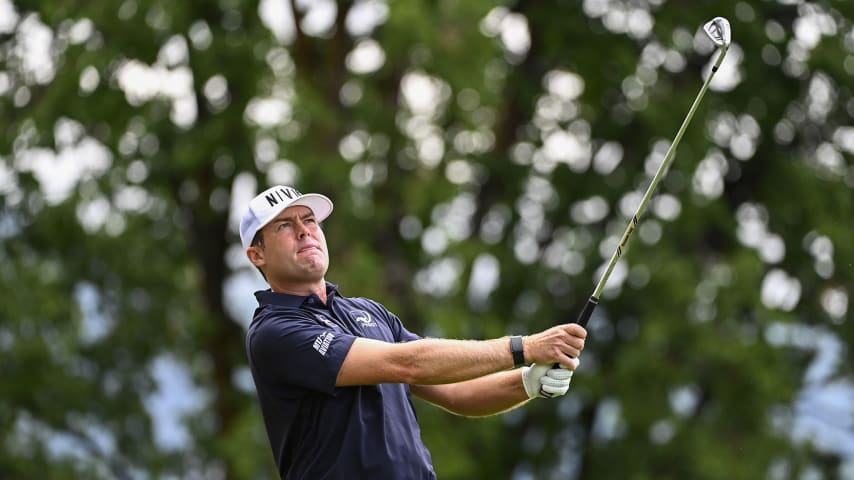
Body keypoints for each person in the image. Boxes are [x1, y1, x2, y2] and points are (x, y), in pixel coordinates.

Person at [240, 185, 587, 479]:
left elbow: (454, 390)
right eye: (285, 226)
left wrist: (527, 381)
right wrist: (524, 347)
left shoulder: (368, 312)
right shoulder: (274, 331)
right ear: (257, 254)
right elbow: (407, 364)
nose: (305, 231)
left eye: (310, 220)